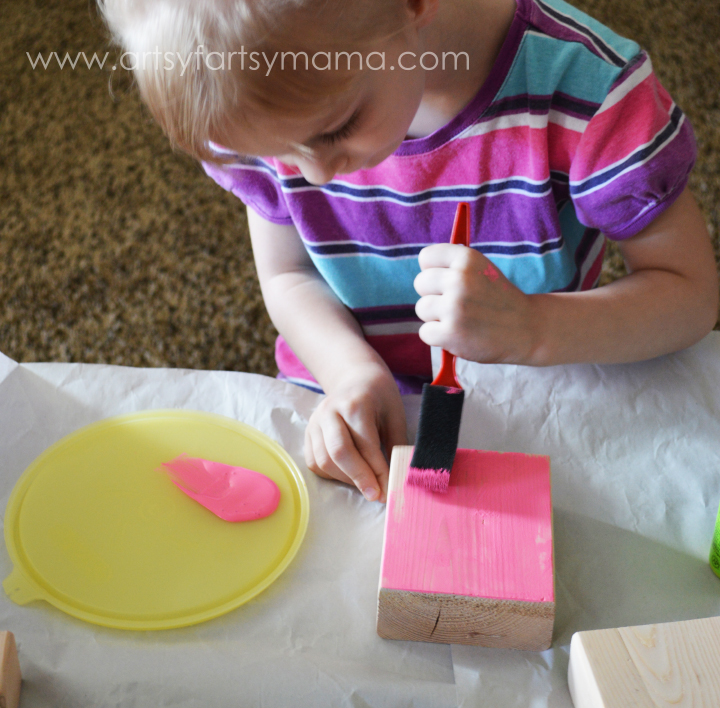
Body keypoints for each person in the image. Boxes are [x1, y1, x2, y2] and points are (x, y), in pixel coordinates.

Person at [100, 0, 718, 504]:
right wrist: (348, 369)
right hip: (346, 399)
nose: (312, 176)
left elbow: (690, 293)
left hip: (542, 395)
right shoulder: (260, 105)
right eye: (277, 156)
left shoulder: (590, 93)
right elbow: (287, 274)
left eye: (336, 129)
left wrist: (534, 328)